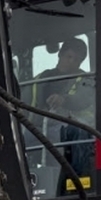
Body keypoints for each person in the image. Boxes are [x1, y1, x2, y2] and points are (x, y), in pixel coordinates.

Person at [31, 37, 96, 176]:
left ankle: (73, 177)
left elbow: (83, 99)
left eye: (77, 60)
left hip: (73, 132)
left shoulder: (87, 81)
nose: (72, 62)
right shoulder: (40, 79)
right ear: (60, 54)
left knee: (62, 140)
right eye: (69, 56)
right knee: (22, 137)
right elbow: (25, 105)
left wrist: (64, 99)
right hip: (40, 129)